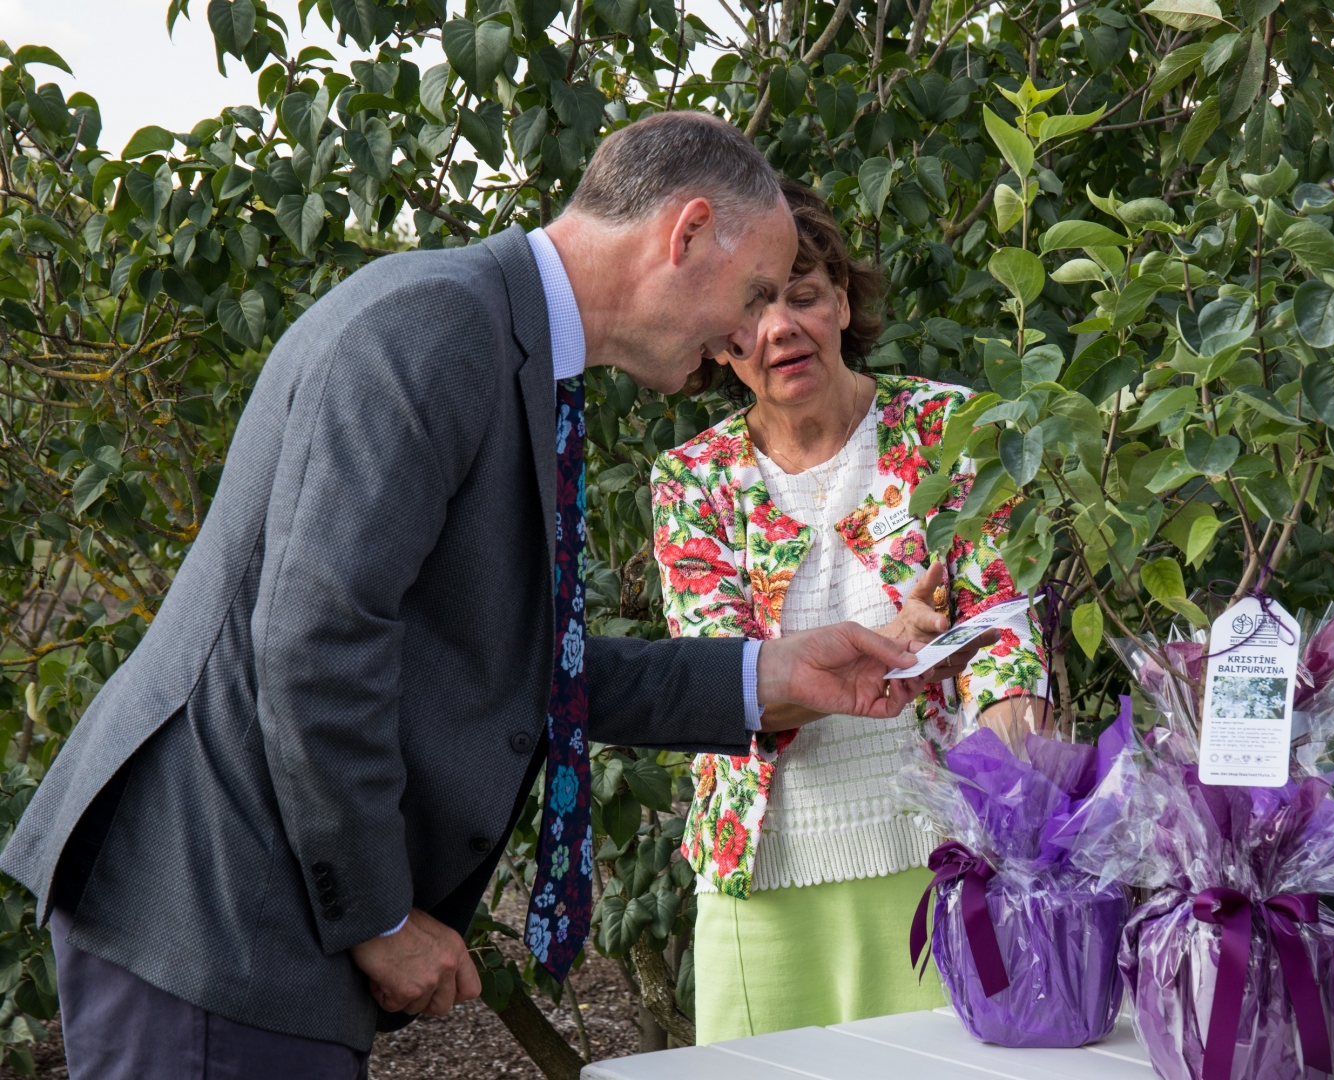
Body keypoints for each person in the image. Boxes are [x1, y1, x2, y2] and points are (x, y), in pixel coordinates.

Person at [0, 113, 940, 1078]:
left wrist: (765, 676)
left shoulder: (499, 342)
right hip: (214, 917)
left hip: (250, 929)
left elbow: (513, 659)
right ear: (687, 233)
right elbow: (315, 641)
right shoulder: (438, 328)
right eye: (751, 294)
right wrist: (377, 915)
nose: (746, 335)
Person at [650, 182, 1049, 1044]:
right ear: (718, 339)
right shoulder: (693, 482)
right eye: (750, 308)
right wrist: (888, 645)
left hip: (942, 867)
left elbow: (1006, 628)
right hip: (764, 886)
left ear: (839, 301)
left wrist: (1013, 778)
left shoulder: (949, 427)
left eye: (802, 294)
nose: (780, 328)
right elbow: (724, 685)